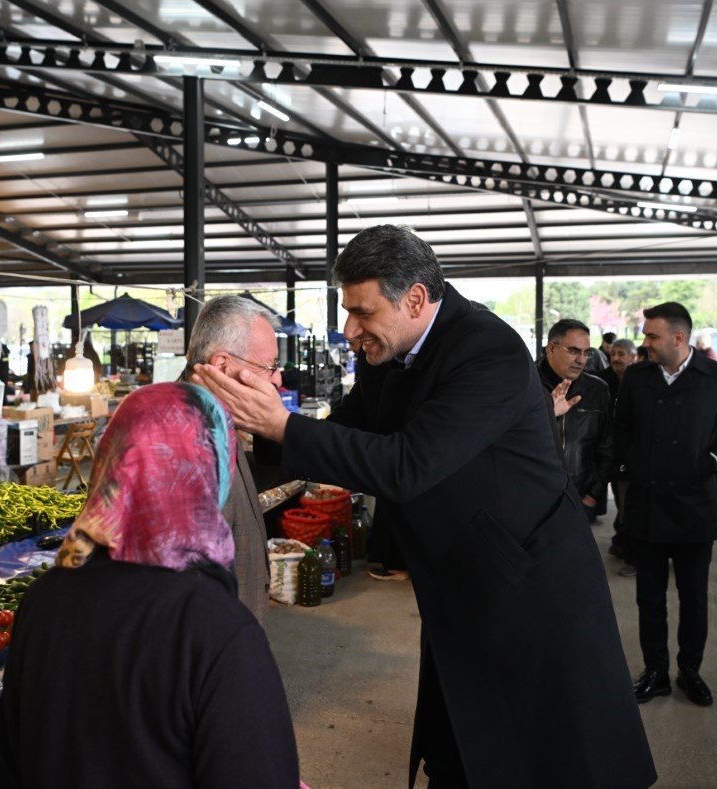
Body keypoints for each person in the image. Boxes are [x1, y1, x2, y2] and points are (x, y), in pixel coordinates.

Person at [195, 225, 655, 788]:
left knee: (540, 754)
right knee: (461, 743)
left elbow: (407, 465)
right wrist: (257, 435)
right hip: (462, 577)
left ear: (414, 298)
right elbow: (354, 430)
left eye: (362, 313)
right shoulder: (389, 349)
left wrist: (281, 424)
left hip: (527, 585)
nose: (349, 330)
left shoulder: (488, 350)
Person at [0, 382, 300, 789]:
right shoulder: (218, 630)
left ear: (110, 462)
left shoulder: (44, 598)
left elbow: (8, 765)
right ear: (209, 468)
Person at [615, 302, 717, 708]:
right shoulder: (638, 377)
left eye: (652, 336)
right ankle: (655, 671)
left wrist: (712, 461)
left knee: (693, 597)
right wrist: (630, 463)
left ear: (679, 337)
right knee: (649, 597)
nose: (646, 343)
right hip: (647, 502)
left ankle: (690, 670)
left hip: (695, 504)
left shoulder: (716, 377)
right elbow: (622, 427)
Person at [181, 295, 282, 625]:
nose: (277, 380)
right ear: (222, 365)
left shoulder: (221, 422)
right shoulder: (189, 439)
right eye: (268, 367)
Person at [539, 319, 616, 526]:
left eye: (586, 352)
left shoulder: (597, 389)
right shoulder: (526, 385)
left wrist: (592, 496)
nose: (582, 360)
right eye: (574, 351)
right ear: (551, 349)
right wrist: (547, 413)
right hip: (533, 499)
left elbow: (608, 447)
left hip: (580, 499)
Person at [601, 338, 638, 574]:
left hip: (636, 454)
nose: (616, 358)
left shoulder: (643, 381)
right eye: (613, 353)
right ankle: (622, 543)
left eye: (621, 354)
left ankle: (632, 556)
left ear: (634, 356)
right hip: (614, 454)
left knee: (632, 507)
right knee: (623, 502)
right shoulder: (602, 380)